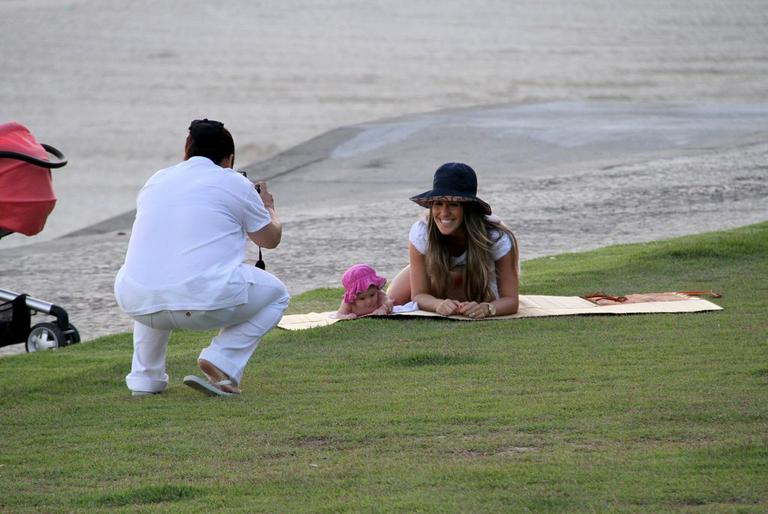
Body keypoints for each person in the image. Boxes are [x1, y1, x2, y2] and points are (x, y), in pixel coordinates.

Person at [114, 119, 289, 397]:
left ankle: (145, 379)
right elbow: (269, 240)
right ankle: (222, 359)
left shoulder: (156, 180)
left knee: (152, 280)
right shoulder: (233, 182)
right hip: (204, 301)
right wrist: (269, 208)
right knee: (278, 294)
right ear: (229, 159)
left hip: (135, 300)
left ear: (187, 152)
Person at [387, 162, 519, 318]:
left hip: (484, 273)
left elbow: (511, 300)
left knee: (468, 300)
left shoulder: (496, 237)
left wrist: (487, 308)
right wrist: (437, 304)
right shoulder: (422, 232)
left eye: (453, 205)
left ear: (468, 208)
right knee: (391, 301)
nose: (444, 213)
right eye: (438, 204)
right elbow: (419, 295)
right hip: (438, 268)